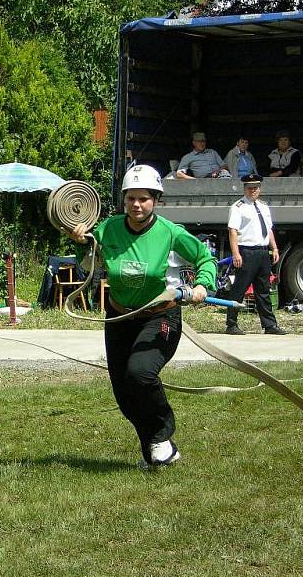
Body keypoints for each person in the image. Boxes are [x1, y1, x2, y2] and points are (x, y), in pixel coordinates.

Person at [66, 164, 216, 468]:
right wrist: (82, 241)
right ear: (124, 200)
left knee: (141, 373)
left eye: (144, 199)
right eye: (131, 198)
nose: (136, 205)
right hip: (119, 318)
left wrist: (202, 285)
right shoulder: (109, 228)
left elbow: (205, 258)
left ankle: (162, 433)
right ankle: (157, 452)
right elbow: (89, 262)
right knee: (125, 395)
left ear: (156, 200)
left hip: (160, 316)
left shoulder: (170, 233)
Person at [225, 173, 288, 335]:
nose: (253, 191)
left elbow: (268, 230)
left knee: (263, 290)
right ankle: (231, 324)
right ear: (244, 189)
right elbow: (233, 231)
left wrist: (274, 248)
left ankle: (269, 325)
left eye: (256, 188)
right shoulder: (238, 207)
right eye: (250, 188)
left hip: (262, 251)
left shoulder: (263, 206)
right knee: (239, 288)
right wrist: (236, 253)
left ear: (259, 189)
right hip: (246, 251)